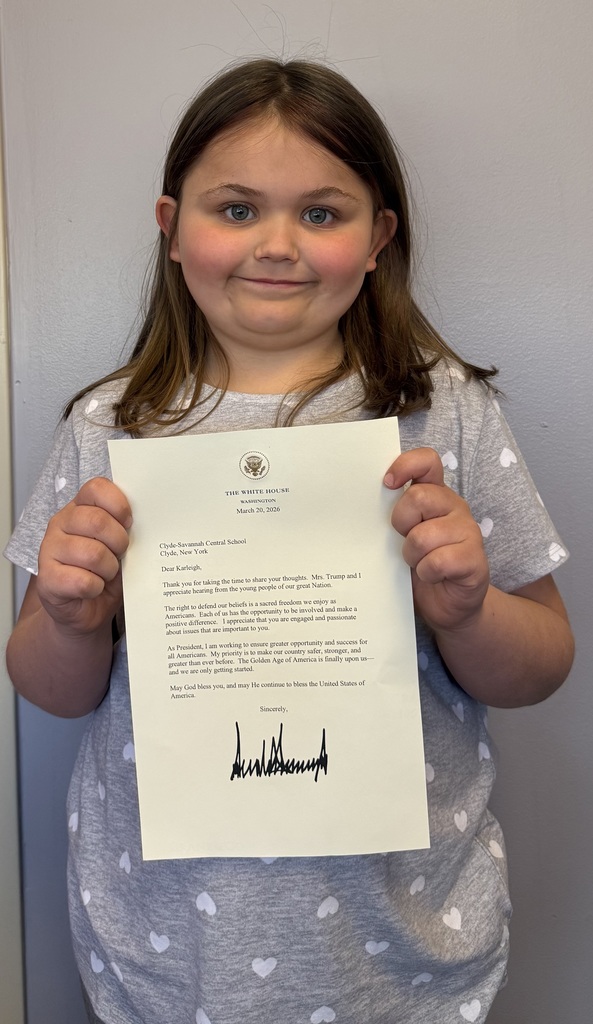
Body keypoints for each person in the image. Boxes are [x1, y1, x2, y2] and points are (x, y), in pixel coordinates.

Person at [4, 58, 573, 1024]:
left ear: (377, 238)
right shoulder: (109, 427)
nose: (277, 245)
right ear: (170, 229)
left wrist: (467, 609)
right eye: (234, 210)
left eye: (321, 213)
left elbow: (541, 667)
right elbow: (50, 690)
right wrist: (69, 615)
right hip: (167, 939)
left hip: (402, 935)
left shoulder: (444, 416)